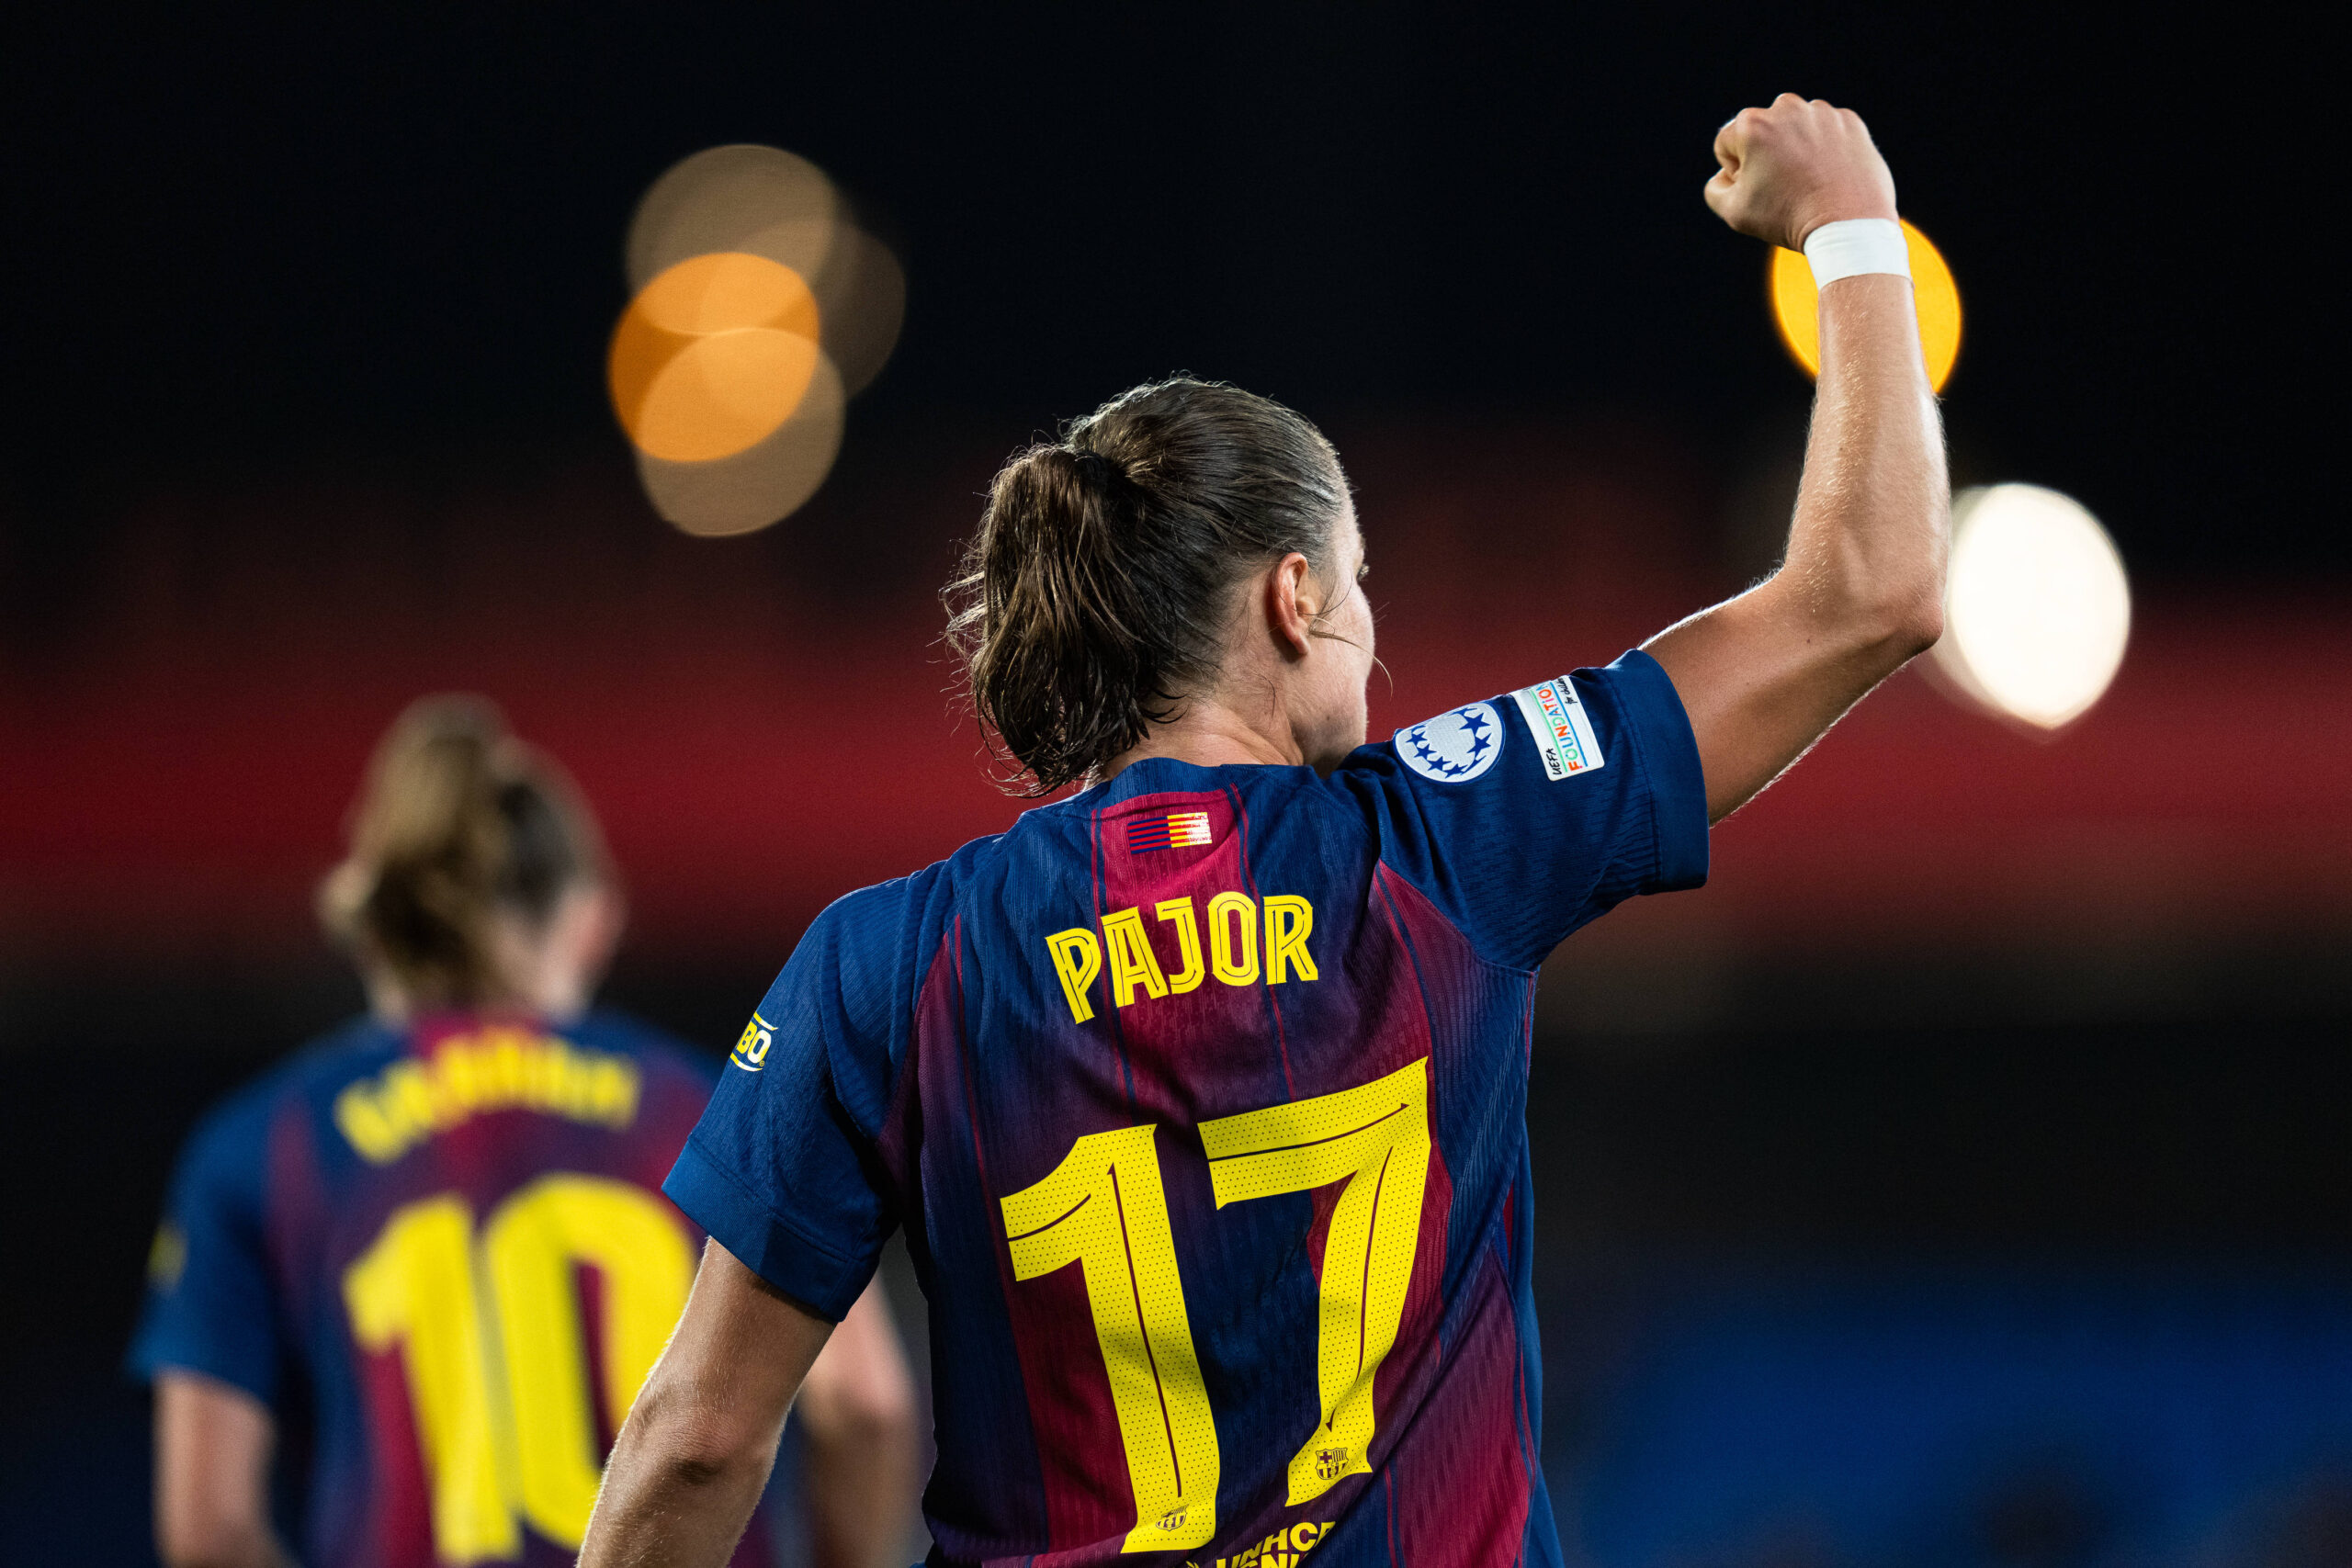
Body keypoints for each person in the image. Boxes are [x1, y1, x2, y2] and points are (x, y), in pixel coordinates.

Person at [582, 94, 1946, 1565]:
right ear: (1294, 597)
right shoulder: (1448, 838)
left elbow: (698, 1439)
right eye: (1360, 580)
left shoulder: (885, 965)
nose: (1373, 626)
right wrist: (1848, 219)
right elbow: (1871, 588)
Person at [128, 698, 920, 1568]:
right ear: (588, 921)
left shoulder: (265, 1144)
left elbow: (207, 1530)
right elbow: (864, 1407)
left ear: (374, 930)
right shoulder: (711, 1106)